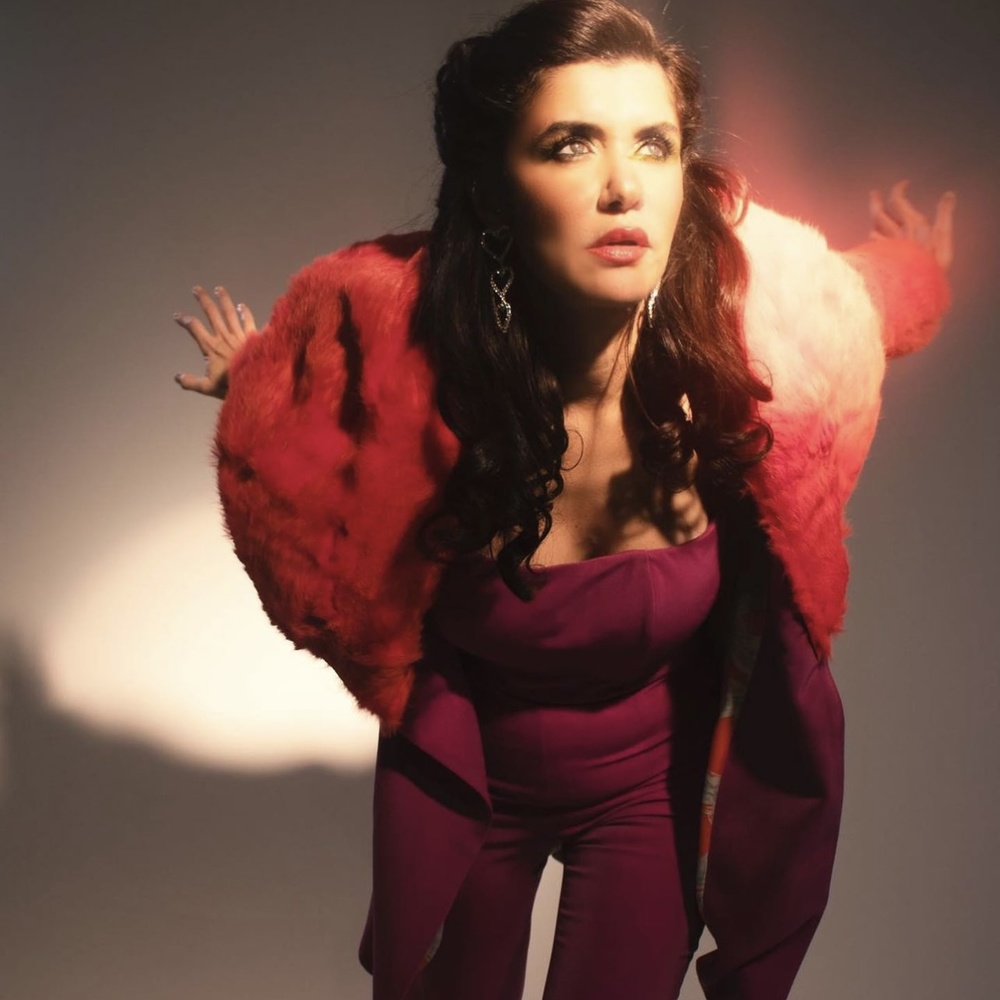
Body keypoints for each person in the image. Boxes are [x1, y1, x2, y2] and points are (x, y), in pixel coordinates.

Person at [172, 2, 954, 998]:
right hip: (471, 782)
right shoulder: (410, 375)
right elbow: (321, 435)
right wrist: (265, 391)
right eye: (571, 144)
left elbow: (865, 302)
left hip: (650, 791)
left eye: (653, 144)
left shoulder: (759, 335)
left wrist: (919, 268)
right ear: (495, 187)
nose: (623, 186)